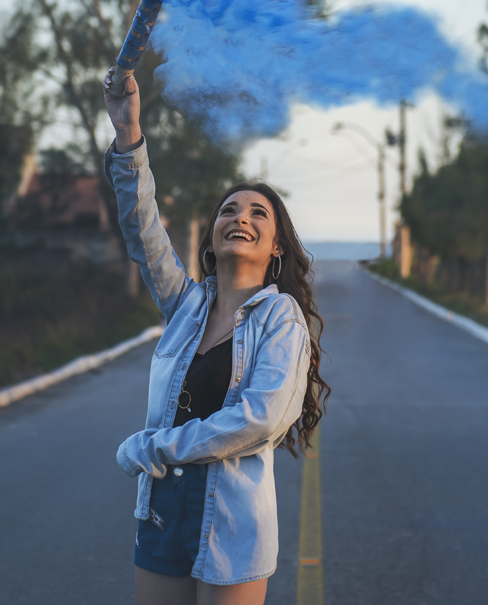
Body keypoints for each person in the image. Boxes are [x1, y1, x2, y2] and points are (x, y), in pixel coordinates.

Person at [102, 67, 328, 605]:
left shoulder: (281, 319)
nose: (240, 217)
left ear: (276, 246)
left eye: (258, 213)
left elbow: (262, 418)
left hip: (233, 521)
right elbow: (142, 228)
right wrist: (129, 133)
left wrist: (160, 445)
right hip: (160, 509)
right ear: (212, 234)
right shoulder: (185, 305)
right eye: (229, 209)